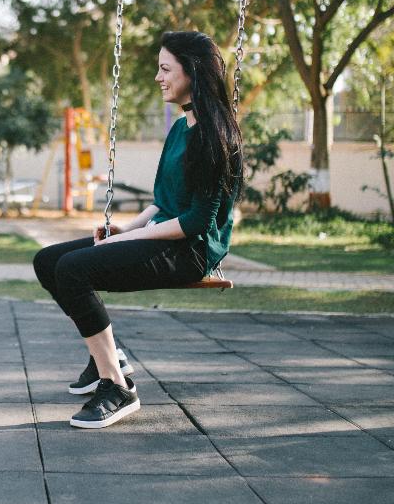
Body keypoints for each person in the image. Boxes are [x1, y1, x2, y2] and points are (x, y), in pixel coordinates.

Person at [33, 31, 242, 429]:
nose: (158, 77)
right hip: (167, 232)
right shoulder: (182, 127)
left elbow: (196, 221)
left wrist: (132, 237)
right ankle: (105, 360)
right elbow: (164, 201)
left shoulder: (215, 136)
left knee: (73, 270)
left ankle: (117, 386)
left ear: (192, 72)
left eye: (165, 69)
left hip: (192, 250)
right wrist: (125, 227)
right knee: (49, 261)